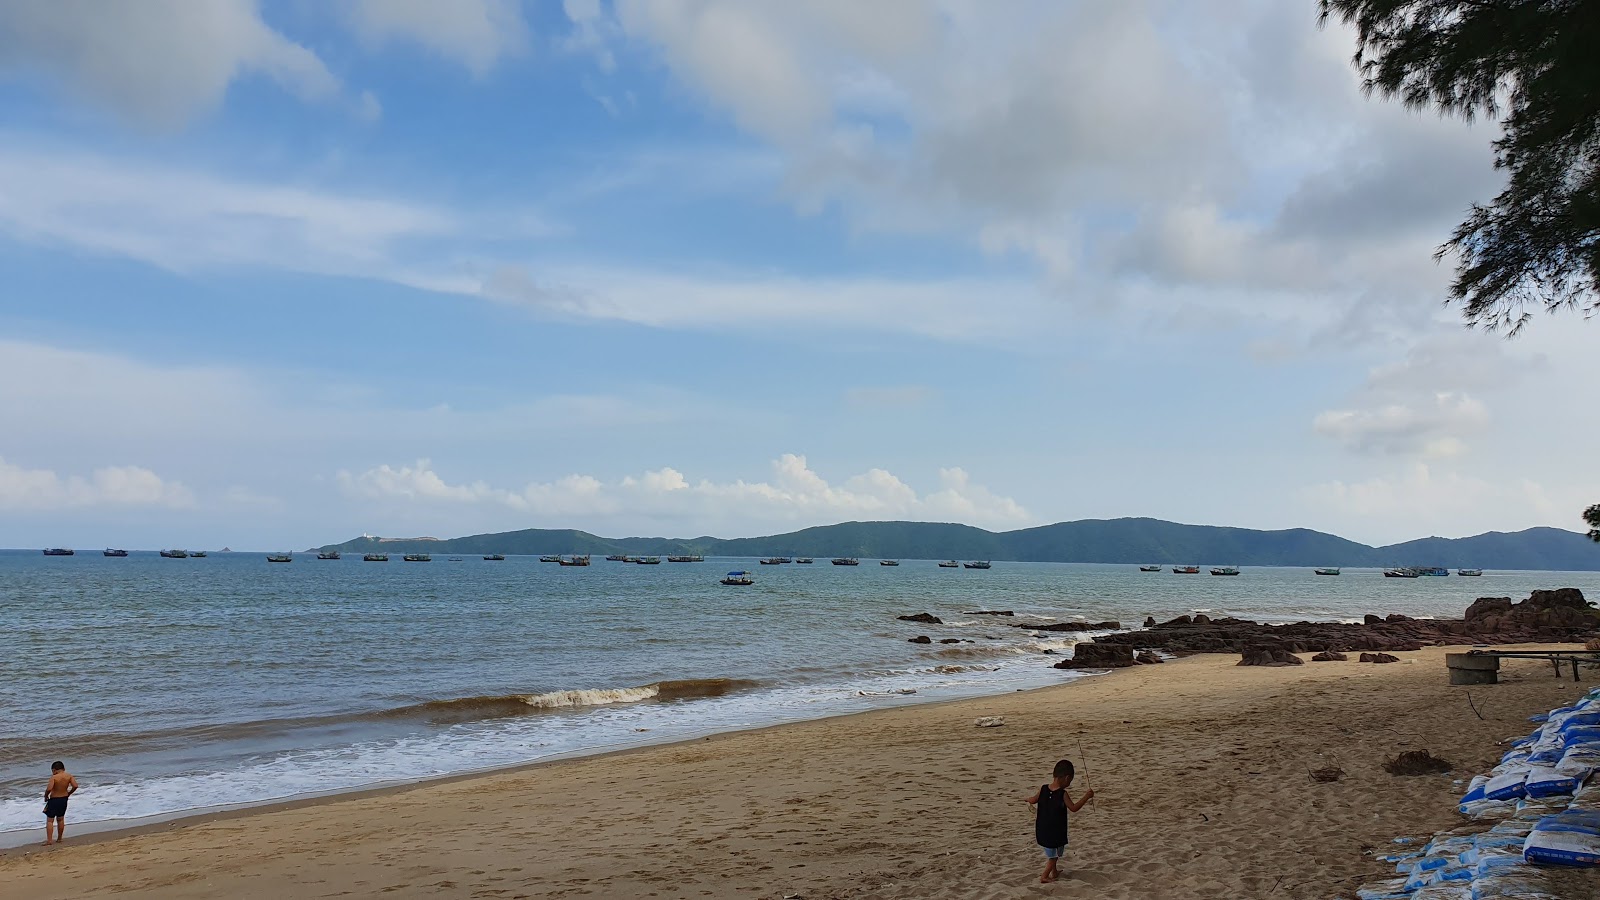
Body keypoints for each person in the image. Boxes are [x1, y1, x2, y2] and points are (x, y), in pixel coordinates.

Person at [1022, 759, 1093, 884]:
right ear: (1066, 778)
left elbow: (1033, 800)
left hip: (1042, 830)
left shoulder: (1043, 788)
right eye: (1070, 781)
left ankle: (1054, 872)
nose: (1069, 784)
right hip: (1055, 832)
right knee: (1054, 856)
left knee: (1052, 852)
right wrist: (1086, 796)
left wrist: (1027, 799)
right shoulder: (1062, 794)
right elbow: (1074, 808)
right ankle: (1044, 876)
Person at [43, 761, 78, 846]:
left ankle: (49, 840)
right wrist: (69, 793)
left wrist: (46, 796)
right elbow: (75, 785)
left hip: (54, 799)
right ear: (64, 769)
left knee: (50, 820)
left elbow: (49, 788)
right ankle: (59, 838)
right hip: (64, 799)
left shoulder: (54, 777)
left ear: (54, 770)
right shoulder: (69, 776)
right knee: (61, 819)